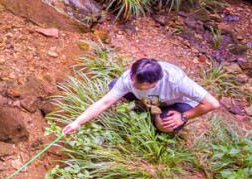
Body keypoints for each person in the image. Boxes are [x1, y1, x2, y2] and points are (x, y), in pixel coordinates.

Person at [62, 56, 220, 137]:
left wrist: (184, 117)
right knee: (114, 85)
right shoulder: (129, 79)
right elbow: (105, 102)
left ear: (154, 83)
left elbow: (212, 103)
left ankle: (155, 114)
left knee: (165, 126)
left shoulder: (177, 81)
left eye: (137, 84)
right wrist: (77, 122)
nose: (131, 84)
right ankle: (145, 106)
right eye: (131, 79)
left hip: (176, 104)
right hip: (151, 98)